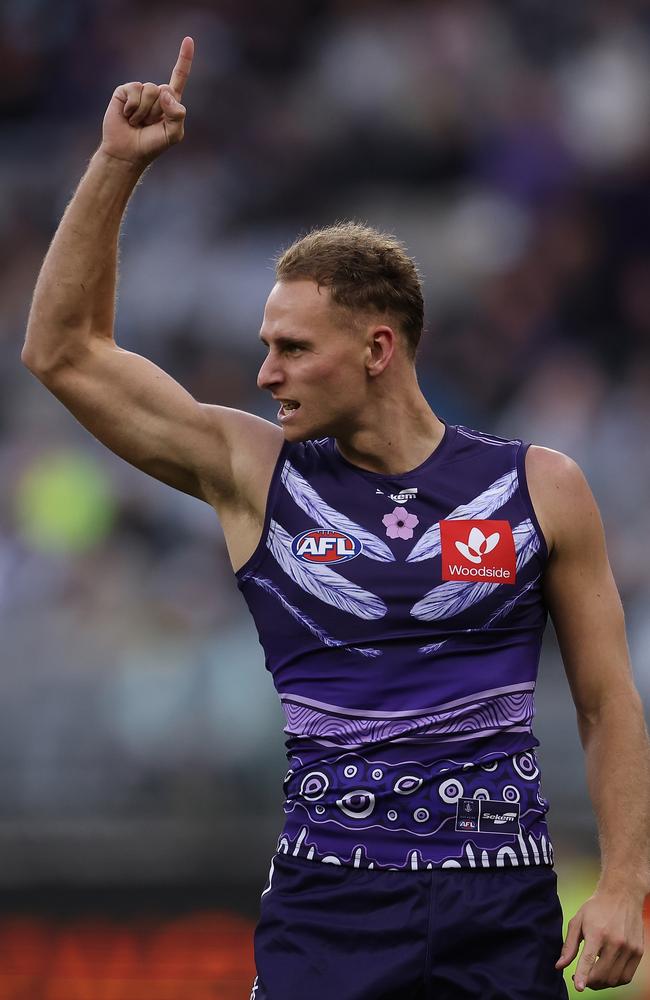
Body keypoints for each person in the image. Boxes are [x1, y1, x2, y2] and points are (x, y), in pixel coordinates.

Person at [21, 35, 650, 1000]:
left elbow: (608, 705)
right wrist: (116, 165)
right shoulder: (252, 474)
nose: (265, 371)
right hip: (331, 908)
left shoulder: (540, 486)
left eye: (291, 347)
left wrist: (625, 883)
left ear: (378, 349)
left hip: (502, 906)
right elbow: (63, 351)